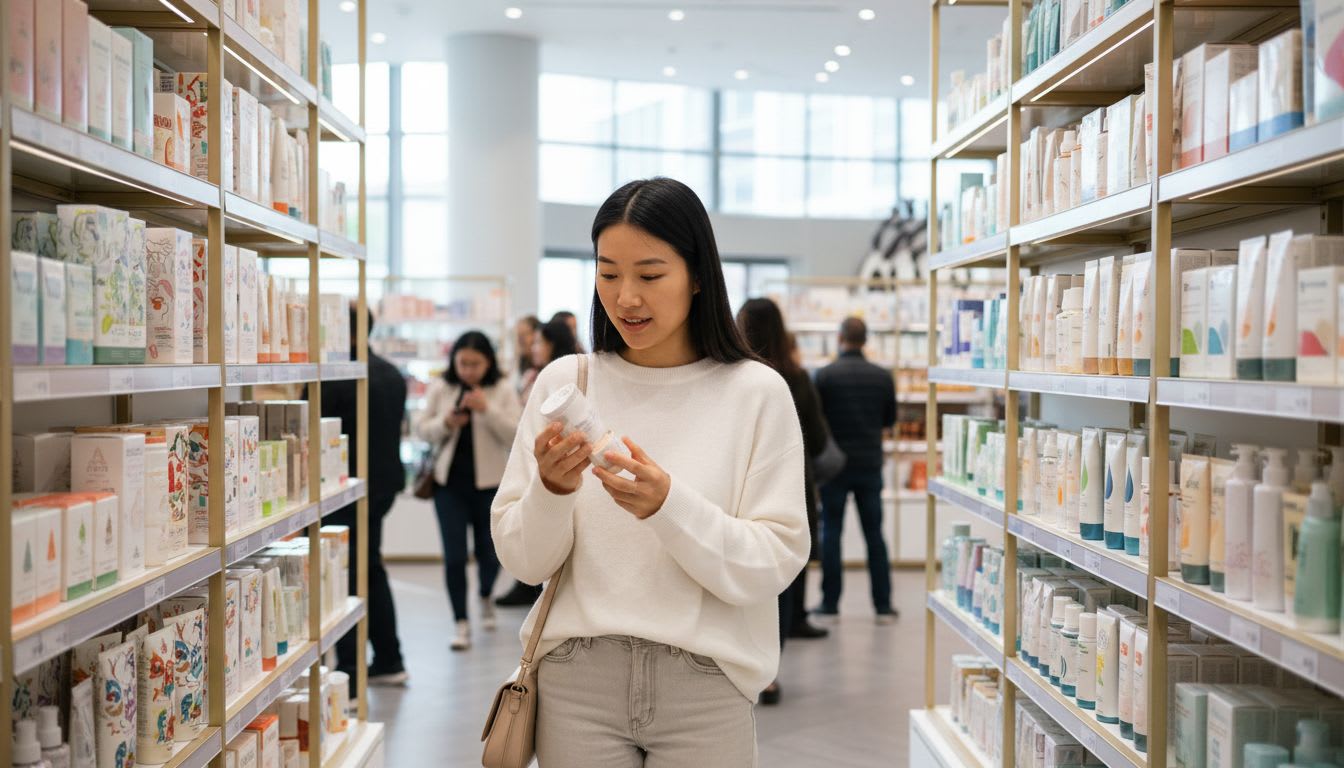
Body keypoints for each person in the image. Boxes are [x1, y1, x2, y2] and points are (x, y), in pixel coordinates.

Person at [492, 178, 808, 766]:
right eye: (608, 273)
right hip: (574, 681)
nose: (626, 297)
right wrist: (553, 491)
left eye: (650, 274)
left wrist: (669, 507)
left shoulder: (756, 393)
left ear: (696, 274)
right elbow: (523, 562)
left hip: (707, 686)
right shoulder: (566, 384)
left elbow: (773, 561)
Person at [735, 297, 829, 706]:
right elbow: (821, 441)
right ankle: (770, 674)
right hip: (793, 489)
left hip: (738, 492)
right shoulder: (798, 379)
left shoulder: (733, 377)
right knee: (784, 581)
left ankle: (743, 663)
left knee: (744, 578)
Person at [312, 306, 409, 686]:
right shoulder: (390, 372)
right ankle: (388, 658)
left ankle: (350, 672)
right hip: (382, 484)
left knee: (347, 573)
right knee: (368, 567)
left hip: (344, 488)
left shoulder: (335, 375)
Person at [413, 331, 522, 650]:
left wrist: (486, 409)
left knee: (491, 553)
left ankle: (486, 595)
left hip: (491, 485)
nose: (468, 370)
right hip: (449, 486)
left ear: (488, 362)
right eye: (463, 363)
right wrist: (447, 423)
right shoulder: (442, 388)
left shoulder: (501, 390)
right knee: (454, 557)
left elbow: (516, 434)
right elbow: (422, 428)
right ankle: (460, 622)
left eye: (475, 364)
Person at [813, 316, 899, 622]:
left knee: (832, 533)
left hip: (834, 467)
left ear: (840, 337)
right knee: (874, 534)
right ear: (866, 340)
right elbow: (889, 419)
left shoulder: (824, 375)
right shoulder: (882, 376)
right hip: (869, 464)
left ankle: (830, 603)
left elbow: (816, 421)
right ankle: (883, 605)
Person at [494, 317, 581, 608]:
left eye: (538, 341)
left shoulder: (568, 379)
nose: (531, 346)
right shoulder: (537, 375)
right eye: (529, 340)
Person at [518, 317, 581, 407]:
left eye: (538, 342)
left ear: (552, 345)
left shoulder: (566, 380)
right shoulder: (532, 375)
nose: (533, 349)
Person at [514, 315, 541, 387]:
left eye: (524, 334)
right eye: (518, 335)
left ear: (537, 334)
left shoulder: (543, 366)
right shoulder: (520, 362)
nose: (520, 340)